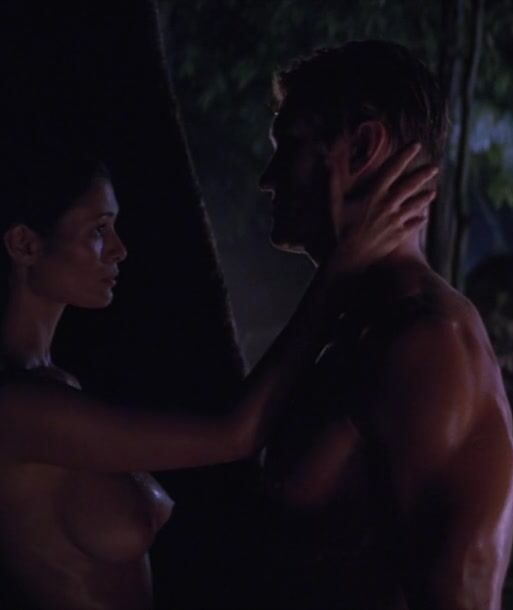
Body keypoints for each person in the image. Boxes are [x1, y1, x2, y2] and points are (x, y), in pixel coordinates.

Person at [0, 136, 435, 609]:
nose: (120, 249)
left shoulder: (53, 384)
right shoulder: (18, 407)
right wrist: (338, 271)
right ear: (25, 244)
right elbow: (236, 435)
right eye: (99, 229)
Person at [255, 40, 513, 610]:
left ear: (362, 147)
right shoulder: (363, 325)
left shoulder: (425, 342)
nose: (267, 178)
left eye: (288, 145)